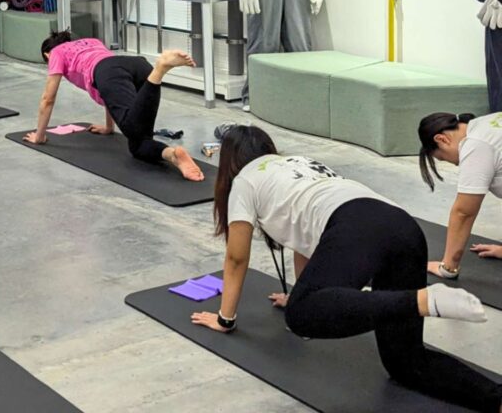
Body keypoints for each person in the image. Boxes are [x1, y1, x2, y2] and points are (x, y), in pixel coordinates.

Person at [191, 125, 502, 412]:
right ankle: (496, 399)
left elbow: (236, 258)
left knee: (300, 316)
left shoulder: (245, 181)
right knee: (406, 363)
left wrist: (225, 319)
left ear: (230, 162)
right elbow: (306, 238)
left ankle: (423, 300)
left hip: (357, 227)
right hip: (402, 226)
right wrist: (308, 289)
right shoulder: (300, 162)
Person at [25, 32, 204, 182]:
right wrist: (109, 127)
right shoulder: (92, 41)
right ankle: (173, 155)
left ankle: (160, 69)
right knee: (139, 143)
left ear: (47, 55)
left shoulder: (55, 52)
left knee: (131, 127)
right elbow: (109, 89)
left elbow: (48, 98)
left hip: (109, 72)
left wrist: (39, 136)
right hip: (136, 66)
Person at [417, 112, 502, 280]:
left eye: (444, 158)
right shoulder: (486, 123)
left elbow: (463, 213)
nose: (456, 164)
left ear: (442, 139)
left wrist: (448, 267)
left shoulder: (475, 146)